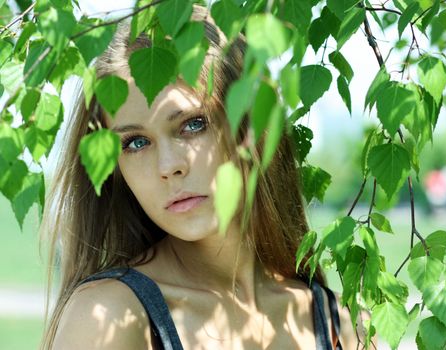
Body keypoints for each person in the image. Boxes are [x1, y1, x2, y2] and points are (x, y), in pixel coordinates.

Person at [40, 5, 359, 350]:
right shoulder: (109, 316)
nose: (168, 166)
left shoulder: (339, 321)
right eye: (135, 142)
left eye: (193, 124)